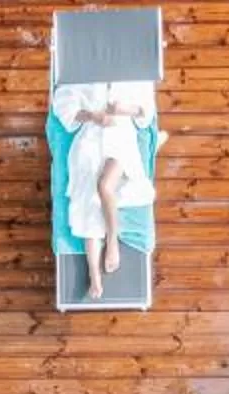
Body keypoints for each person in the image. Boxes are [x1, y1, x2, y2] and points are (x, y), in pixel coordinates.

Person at [51, 79, 157, 301]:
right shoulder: (81, 74)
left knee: (104, 185)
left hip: (121, 141)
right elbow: (64, 107)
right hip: (90, 142)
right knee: (88, 201)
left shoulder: (135, 76)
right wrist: (93, 116)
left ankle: (112, 243)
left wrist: (123, 109)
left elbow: (146, 111)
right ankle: (94, 273)